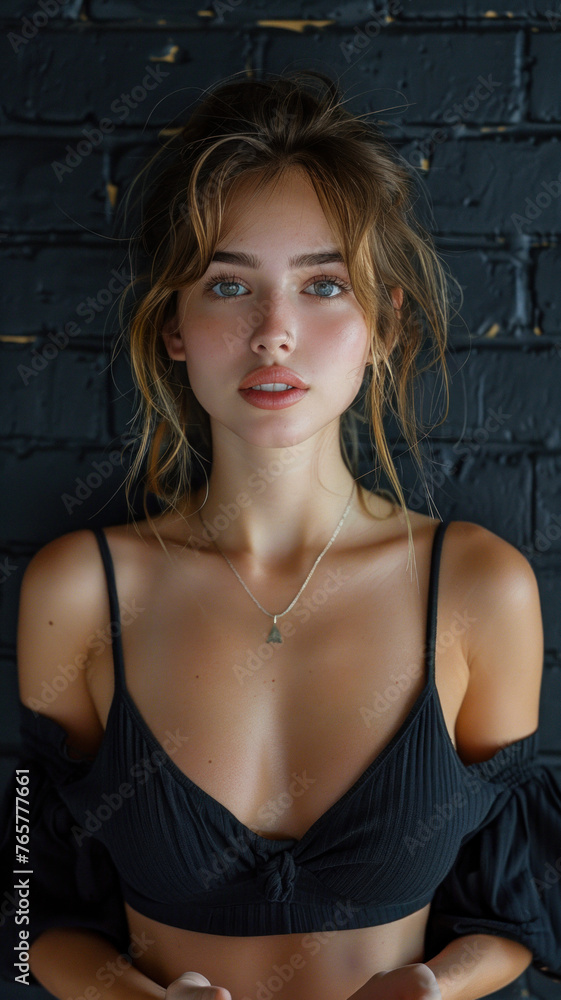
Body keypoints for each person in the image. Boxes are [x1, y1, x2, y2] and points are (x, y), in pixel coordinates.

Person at [1, 70, 560, 1000]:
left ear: (382, 326)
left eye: (323, 285)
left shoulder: (477, 587)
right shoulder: (81, 591)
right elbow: (32, 902)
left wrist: (431, 988)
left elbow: (512, 909)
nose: (273, 333)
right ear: (174, 327)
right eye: (229, 285)